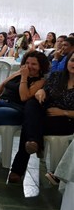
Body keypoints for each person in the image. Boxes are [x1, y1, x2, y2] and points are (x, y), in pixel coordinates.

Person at [9, 52, 74, 183]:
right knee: (31, 104)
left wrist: (63, 112)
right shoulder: (57, 76)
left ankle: (19, 167)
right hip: (46, 113)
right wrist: (41, 91)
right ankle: (35, 142)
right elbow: (45, 90)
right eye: (73, 60)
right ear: (68, 61)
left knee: (30, 126)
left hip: (67, 120)